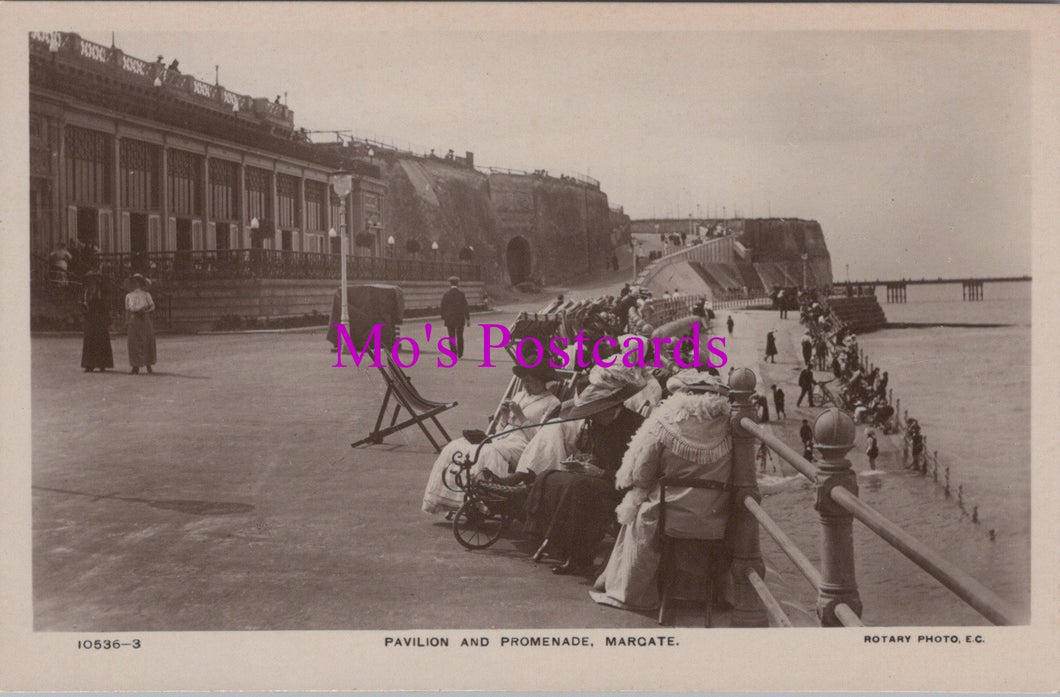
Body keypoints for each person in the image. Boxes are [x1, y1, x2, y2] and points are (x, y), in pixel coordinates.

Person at [590, 371, 734, 611]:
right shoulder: (730, 426)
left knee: (637, 507)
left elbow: (640, 476)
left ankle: (625, 582)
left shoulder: (666, 422)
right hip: (715, 518)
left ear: (681, 395)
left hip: (670, 516)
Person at [520, 365, 647, 576]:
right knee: (549, 477)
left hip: (618, 482)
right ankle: (557, 544)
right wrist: (582, 461)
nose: (592, 416)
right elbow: (595, 453)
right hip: (597, 477)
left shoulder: (635, 425)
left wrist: (600, 473)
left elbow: (637, 471)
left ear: (608, 407)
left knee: (579, 486)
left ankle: (578, 555)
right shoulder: (597, 424)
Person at [421, 363, 562, 515]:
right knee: (458, 446)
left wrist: (521, 416)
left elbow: (541, 439)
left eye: (530, 381)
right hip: (502, 438)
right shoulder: (520, 395)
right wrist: (505, 416)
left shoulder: (552, 402)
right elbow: (501, 428)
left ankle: (483, 503)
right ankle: (458, 500)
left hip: (523, 444)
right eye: (524, 380)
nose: (526, 385)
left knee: (486, 452)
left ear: (541, 380)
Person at [79, 271, 113, 372]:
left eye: (94, 279)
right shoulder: (86, 291)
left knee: (101, 340)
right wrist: (83, 306)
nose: (92, 281)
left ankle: (102, 364)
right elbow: (82, 303)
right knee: (89, 340)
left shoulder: (101, 291)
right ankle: (89, 364)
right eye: (90, 279)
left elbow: (106, 304)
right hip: (90, 318)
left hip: (100, 318)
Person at [125, 273, 156, 374]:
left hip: (144, 319)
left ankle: (148, 364)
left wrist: (145, 311)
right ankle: (135, 366)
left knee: (147, 340)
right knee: (133, 342)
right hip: (134, 320)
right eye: (134, 281)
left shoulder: (146, 294)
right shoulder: (128, 296)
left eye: (138, 281)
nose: (136, 283)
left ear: (141, 283)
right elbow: (127, 309)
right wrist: (127, 321)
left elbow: (152, 306)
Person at [439, 276, 470, 359]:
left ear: (450, 283)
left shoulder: (446, 294)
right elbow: (465, 307)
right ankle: (460, 353)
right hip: (460, 318)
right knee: (460, 335)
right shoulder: (461, 294)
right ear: (458, 283)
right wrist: (468, 318)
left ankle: (453, 353)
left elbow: (442, 306)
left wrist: (443, 316)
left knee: (451, 336)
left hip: (449, 318)